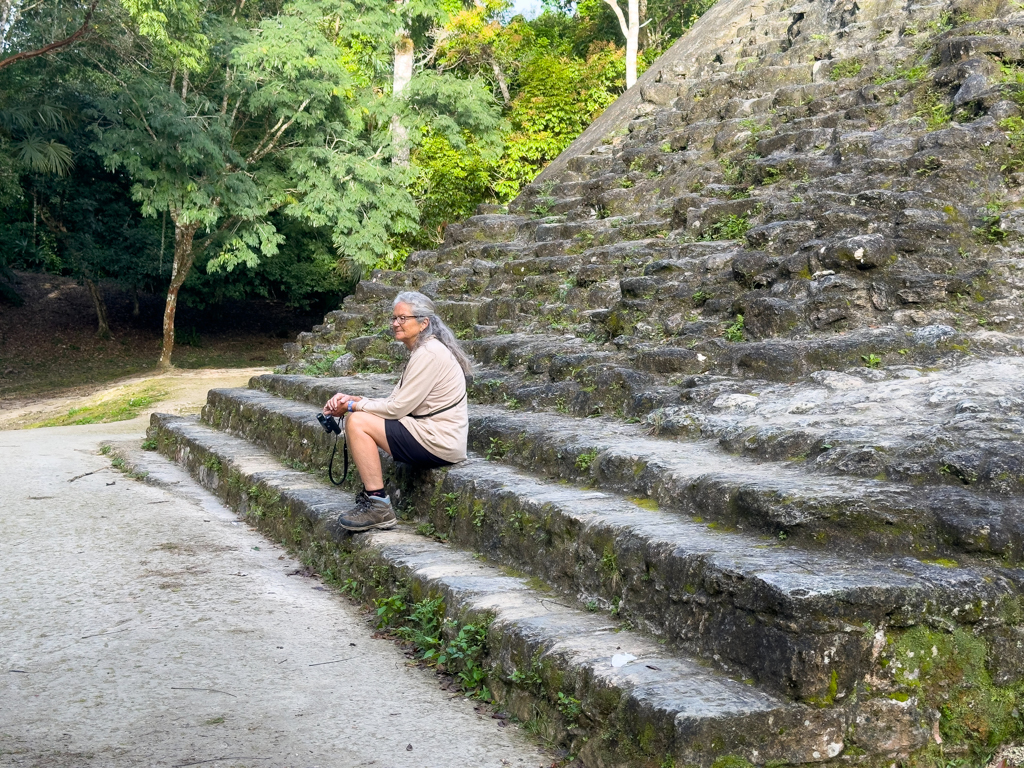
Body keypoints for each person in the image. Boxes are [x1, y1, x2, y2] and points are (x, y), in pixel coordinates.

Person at [323, 291, 471, 531]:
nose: (395, 323)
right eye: (394, 318)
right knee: (359, 415)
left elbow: (397, 408)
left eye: (403, 318)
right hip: (431, 434)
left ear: (423, 323)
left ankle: (379, 506)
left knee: (357, 422)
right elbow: (396, 401)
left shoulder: (429, 354)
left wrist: (351, 406)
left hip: (439, 441)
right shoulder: (424, 351)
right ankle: (377, 503)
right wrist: (356, 399)